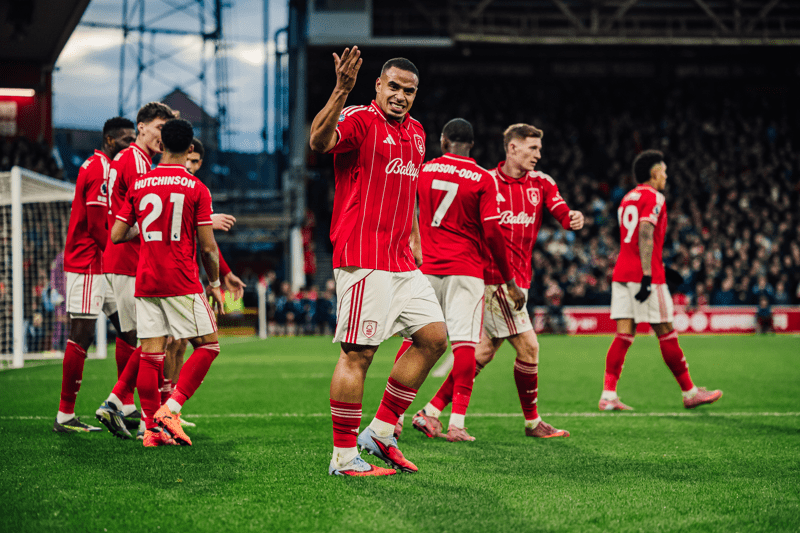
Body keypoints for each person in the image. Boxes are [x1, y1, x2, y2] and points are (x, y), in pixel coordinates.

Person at [309, 47, 447, 476]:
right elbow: (318, 141)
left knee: (434, 338)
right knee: (359, 353)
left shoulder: (418, 133)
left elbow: (409, 193)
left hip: (401, 259)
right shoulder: (358, 118)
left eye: (409, 91)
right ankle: (343, 457)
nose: (400, 96)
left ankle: (381, 432)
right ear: (378, 85)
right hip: (363, 256)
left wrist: (416, 236)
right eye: (393, 87)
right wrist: (340, 90)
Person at [413, 123, 584, 439]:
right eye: (532, 148)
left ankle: (430, 411)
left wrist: (572, 217)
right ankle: (533, 422)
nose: (538, 154)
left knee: (483, 352)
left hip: (519, 281)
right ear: (513, 147)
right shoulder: (487, 181)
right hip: (496, 281)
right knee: (529, 348)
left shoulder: (542, 183)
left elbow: (560, 210)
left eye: (539, 148)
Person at [401, 118, 524, 443]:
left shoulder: (424, 170)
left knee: (413, 341)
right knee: (465, 345)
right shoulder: (483, 178)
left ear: (444, 141)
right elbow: (493, 233)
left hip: (427, 269)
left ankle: (394, 417)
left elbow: (405, 207)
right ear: (471, 145)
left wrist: (413, 243)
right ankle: (456, 424)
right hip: (466, 270)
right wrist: (509, 281)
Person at [110, 118, 225, 447]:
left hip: (146, 279)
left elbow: (117, 234)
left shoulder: (140, 184)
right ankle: (170, 411)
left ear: (161, 145)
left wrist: (149, 228)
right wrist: (215, 283)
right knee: (209, 345)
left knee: (151, 355)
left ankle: (151, 431)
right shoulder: (196, 187)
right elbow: (208, 248)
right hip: (181, 279)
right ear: (189, 148)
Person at [599, 150, 722, 411]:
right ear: (654, 172)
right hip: (645, 276)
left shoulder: (626, 199)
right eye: (664, 171)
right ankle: (690, 392)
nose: (666, 176)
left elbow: (633, 240)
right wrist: (648, 274)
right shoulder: (654, 196)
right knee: (666, 331)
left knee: (624, 334)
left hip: (622, 272)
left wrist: (663, 266)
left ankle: (608, 396)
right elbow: (645, 233)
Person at [94, 101, 175, 439]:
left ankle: (126, 407)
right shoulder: (137, 162)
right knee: (154, 340)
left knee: (145, 340)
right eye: (159, 128)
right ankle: (137, 415)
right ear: (141, 127)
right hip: (129, 260)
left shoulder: (130, 159)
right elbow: (146, 215)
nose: (162, 136)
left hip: (123, 260)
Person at [54, 117, 136, 433]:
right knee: (81, 335)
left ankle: (123, 403)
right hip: (88, 263)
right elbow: (96, 226)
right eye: (126, 139)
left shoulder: (104, 167)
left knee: (128, 330)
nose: (130, 144)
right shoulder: (100, 169)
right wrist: (123, 248)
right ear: (110, 139)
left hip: (101, 264)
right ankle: (65, 415)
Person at [160, 137, 245, 420]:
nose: (191, 166)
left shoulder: (192, 188)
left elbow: (206, 242)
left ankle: (166, 408)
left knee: (179, 343)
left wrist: (227, 273)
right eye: (189, 159)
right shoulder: (180, 187)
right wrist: (208, 220)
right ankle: (152, 409)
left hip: (180, 274)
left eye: (196, 162)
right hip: (167, 275)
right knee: (165, 344)